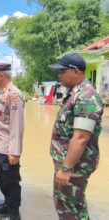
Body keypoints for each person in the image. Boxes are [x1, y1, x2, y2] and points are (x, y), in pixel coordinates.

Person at [48, 53, 104, 219]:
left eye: (62, 71)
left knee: (70, 208)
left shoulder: (87, 97)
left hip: (74, 166)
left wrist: (66, 169)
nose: (59, 75)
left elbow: (81, 137)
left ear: (75, 71)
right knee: (69, 205)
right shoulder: (75, 94)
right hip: (69, 164)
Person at [0, 63, 24, 220]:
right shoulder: (2, 93)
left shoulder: (14, 95)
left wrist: (14, 151)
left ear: (0, 75)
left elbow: (17, 125)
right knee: (1, 178)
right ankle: (7, 203)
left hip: (7, 149)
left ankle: (13, 213)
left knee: (11, 181)